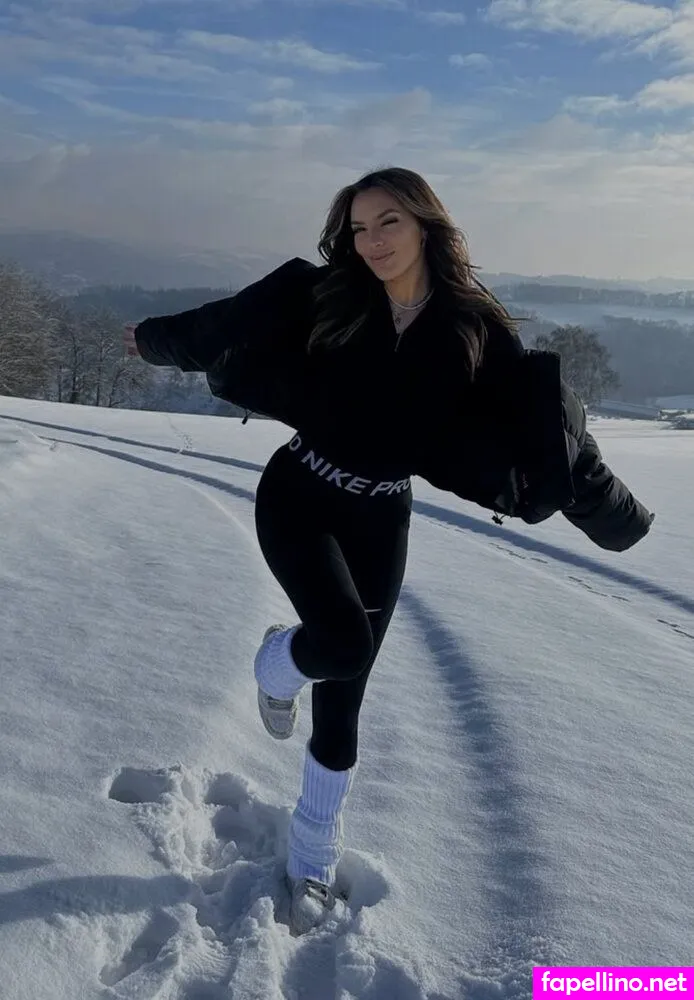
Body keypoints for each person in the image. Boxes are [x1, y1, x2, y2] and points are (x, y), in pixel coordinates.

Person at [130, 166, 654, 936]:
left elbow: (547, 428)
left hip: (381, 516)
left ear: (425, 225)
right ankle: (277, 662)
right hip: (300, 493)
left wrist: (610, 510)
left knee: (345, 700)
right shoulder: (329, 296)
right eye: (358, 228)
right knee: (340, 643)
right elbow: (220, 324)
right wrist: (149, 339)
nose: (371, 241)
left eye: (389, 223)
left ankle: (311, 857)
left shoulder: (473, 327)